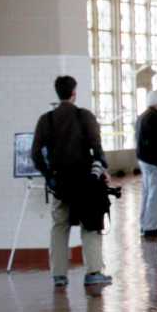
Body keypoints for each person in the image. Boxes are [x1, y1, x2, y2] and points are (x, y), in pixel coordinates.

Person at [31, 76, 112, 291]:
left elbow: (36, 153)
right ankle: (93, 271)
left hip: (60, 182)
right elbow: (97, 147)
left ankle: (59, 274)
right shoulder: (84, 116)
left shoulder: (46, 120)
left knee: (59, 225)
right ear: (74, 92)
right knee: (90, 224)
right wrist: (101, 170)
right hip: (85, 180)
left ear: (57, 93)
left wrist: (49, 176)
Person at [134, 91, 157, 239]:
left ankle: (144, 224)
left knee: (147, 193)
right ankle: (150, 227)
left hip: (144, 159)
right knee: (154, 194)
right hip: (153, 161)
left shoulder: (143, 116)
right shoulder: (153, 119)